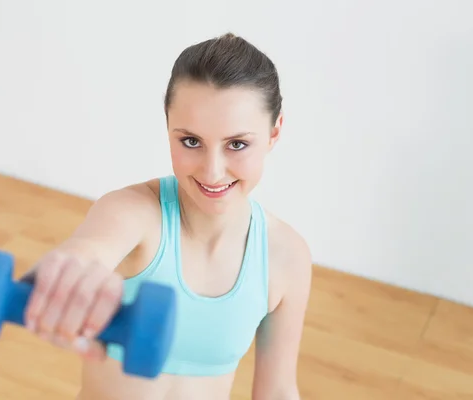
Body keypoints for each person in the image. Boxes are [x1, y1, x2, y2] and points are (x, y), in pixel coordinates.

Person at [21, 32, 312, 400]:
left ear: (274, 133)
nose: (212, 171)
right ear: (168, 128)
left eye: (237, 144)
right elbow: (89, 250)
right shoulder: (134, 213)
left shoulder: (286, 256)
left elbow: (278, 390)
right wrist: (64, 274)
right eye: (191, 141)